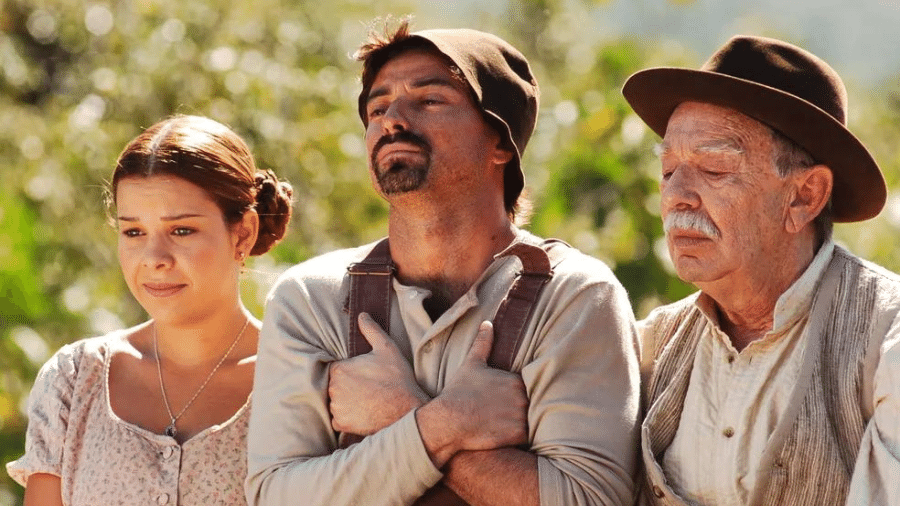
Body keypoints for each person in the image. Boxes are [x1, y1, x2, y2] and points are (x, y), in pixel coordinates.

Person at [246, 21, 640, 506]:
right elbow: (277, 496)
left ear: (501, 143)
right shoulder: (310, 298)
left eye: (429, 100)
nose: (392, 119)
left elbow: (589, 500)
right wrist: (444, 424)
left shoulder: (575, 296)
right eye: (377, 107)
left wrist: (397, 414)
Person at [621, 35, 900, 505]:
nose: (677, 195)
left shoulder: (887, 337)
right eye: (668, 170)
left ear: (804, 196)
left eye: (713, 168)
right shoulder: (651, 346)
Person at [5, 115, 293, 506]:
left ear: (243, 232)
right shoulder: (73, 382)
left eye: (181, 230)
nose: (154, 258)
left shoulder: (298, 381)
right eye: (134, 232)